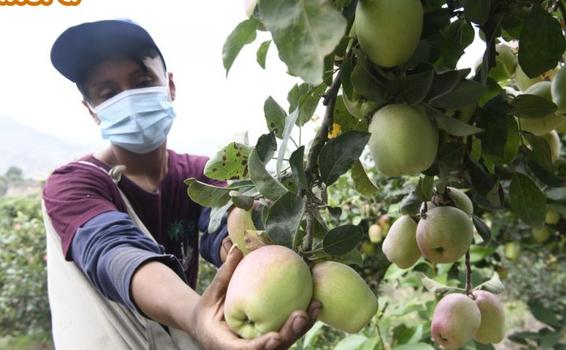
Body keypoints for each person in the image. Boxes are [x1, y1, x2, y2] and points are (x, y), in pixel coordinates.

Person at [42, 19, 319, 350]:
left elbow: (224, 217)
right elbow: (113, 251)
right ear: (92, 110)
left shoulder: (198, 173)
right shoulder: (72, 184)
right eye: (109, 93)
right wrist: (197, 316)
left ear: (169, 85)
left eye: (142, 81)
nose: (128, 99)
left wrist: (247, 234)